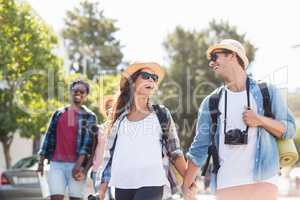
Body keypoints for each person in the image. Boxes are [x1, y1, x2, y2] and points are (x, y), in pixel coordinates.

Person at [183, 39, 296, 200]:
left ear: (232, 56)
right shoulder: (211, 102)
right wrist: (186, 184)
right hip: (226, 183)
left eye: (215, 57)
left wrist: (260, 120)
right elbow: (199, 147)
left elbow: (290, 129)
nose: (211, 63)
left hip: (263, 181)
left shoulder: (267, 92)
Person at [95, 62, 188, 200]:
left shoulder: (161, 114)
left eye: (154, 78)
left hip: (152, 182)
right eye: (146, 76)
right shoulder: (119, 120)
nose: (151, 79)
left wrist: (189, 180)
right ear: (132, 82)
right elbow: (110, 158)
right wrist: (101, 191)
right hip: (122, 184)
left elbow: (175, 152)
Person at [37, 79, 97, 200]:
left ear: (86, 95)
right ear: (71, 92)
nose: (78, 93)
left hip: (77, 166)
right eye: (76, 90)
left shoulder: (89, 116)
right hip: (56, 164)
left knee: (75, 198)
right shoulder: (58, 113)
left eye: (82, 91)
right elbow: (48, 137)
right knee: (55, 197)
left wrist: (79, 166)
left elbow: (87, 145)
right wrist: (41, 162)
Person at [90, 96, 114, 199]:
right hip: (98, 170)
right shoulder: (98, 129)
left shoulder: (123, 128)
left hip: (116, 171)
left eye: (113, 107)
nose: (111, 109)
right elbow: (92, 151)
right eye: (108, 107)